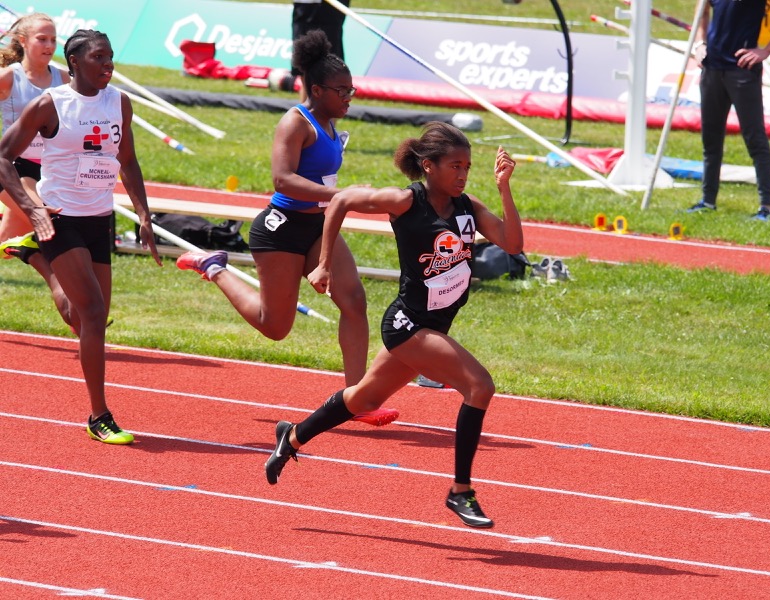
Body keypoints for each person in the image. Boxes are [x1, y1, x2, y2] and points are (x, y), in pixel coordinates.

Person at [265, 123, 523, 529]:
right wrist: (324, 263)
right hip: (408, 325)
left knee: (362, 399)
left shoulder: (468, 207)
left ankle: (292, 436)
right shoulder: (406, 201)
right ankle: (460, 491)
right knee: (479, 386)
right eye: (455, 166)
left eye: (468, 167)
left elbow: (513, 244)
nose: (462, 174)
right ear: (428, 166)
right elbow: (343, 200)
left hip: (434, 324)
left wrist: (504, 187)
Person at [175, 30, 397, 428]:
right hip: (280, 231)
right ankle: (214, 267)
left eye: (352, 89)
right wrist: (342, 194)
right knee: (275, 327)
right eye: (342, 91)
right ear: (317, 89)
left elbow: (324, 187)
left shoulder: (330, 124)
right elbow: (282, 180)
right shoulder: (296, 123)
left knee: (354, 301)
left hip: (317, 226)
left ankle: (356, 398)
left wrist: (341, 199)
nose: (350, 97)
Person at [0, 29, 162, 444]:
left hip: (98, 217)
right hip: (59, 217)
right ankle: (99, 415)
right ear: (75, 62)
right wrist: (32, 207)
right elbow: (4, 157)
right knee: (91, 314)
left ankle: (37, 260)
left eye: (111, 58)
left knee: (87, 318)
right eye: (99, 58)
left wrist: (144, 214)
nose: (108, 66)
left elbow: (127, 159)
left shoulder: (118, 102)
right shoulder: (51, 104)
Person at [687, 0, 770, 220]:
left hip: (741, 71)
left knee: (754, 138)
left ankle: (765, 206)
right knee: (710, 139)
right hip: (712, 69)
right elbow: (702, 8)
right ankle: (708, 201)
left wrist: (766, 51)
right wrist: (700, 43)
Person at [0, 13, 71, 326]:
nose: (49, 45)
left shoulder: (64, 78)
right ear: (23, 41)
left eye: (54, 39)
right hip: (11, 167)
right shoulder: (9, 78)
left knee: (10, 236)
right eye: (42, 39)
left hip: (48, 168)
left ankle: (20, 247)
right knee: (48, 222)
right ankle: (79, 310)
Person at [291, 0, 350, 100]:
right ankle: (305, 113)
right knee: (305, 67)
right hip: (305, 7)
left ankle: (329, 112)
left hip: (331, 8)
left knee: (331, 68)